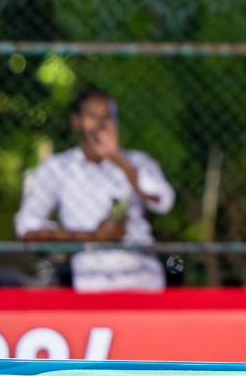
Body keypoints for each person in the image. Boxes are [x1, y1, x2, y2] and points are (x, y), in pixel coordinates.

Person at [15, 88, 175, 292]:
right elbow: (26, 226)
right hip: (91, 282)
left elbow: (164, 201)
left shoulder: (136, 162)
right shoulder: (56, 168)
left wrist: (116, 157)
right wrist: (91, 237)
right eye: (92, 116)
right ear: (76, 121)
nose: (100, 125)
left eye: (107, 117)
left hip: (143, 278)